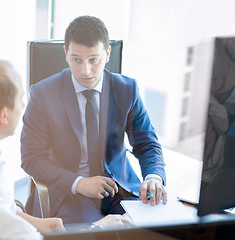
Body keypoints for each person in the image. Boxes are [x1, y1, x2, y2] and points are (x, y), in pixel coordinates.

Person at [0, 59, 129, 240]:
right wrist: (98, 228)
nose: (24, 105)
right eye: (20, 99)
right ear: (4, 115)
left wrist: (39, 223)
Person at [21, 15, 167, 224]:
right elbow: (31, 158)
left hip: (121, 190)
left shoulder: (127, 89)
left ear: (107, 54)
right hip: (70, 194)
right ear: (66, 53)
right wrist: (79, 183)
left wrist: (153, 177)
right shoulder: (43, 94)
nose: (85, 71)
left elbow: (147, 143)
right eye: (77, 60)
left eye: (94, 60)